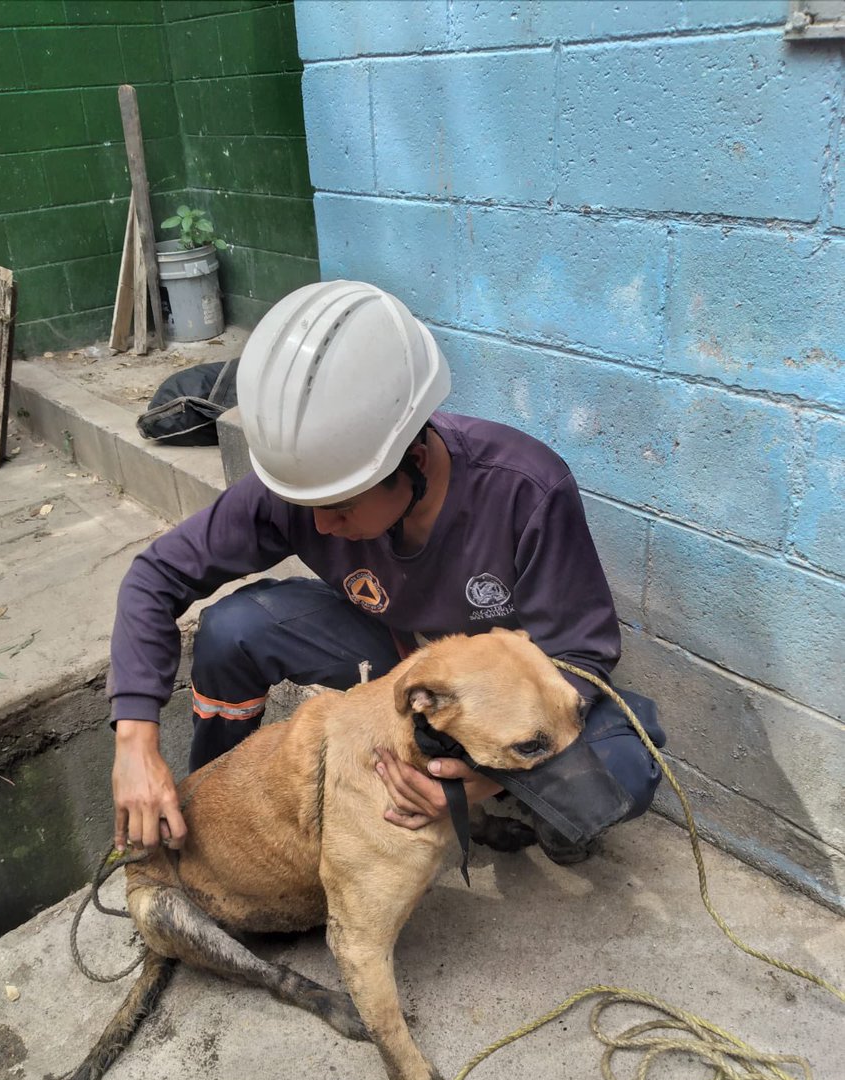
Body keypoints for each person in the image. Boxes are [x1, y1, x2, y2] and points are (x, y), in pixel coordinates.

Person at [109, 280, 663, 861]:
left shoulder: (526, 490)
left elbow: (580, 656)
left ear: (415, 463)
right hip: (393, 661)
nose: (320, 527)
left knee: (628, 761)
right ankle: (215, 802)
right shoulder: (307, 486)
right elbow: (155, 577)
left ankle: (528, 806)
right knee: (231, 630)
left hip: (499, 696)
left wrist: (478, 784)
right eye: (308, 507)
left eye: (342, 507)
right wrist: (136, 741)